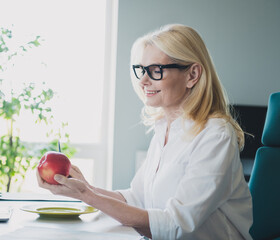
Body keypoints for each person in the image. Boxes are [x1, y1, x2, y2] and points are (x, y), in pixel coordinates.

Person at [36, 24, 253, 239]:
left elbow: (176, 226)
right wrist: (85, 189)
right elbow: (136, 200)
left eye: (155, 70)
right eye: (141, 69)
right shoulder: (164, 129)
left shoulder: (215, 135)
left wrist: (88, 195)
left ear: (192, 75)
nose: (143, 81)